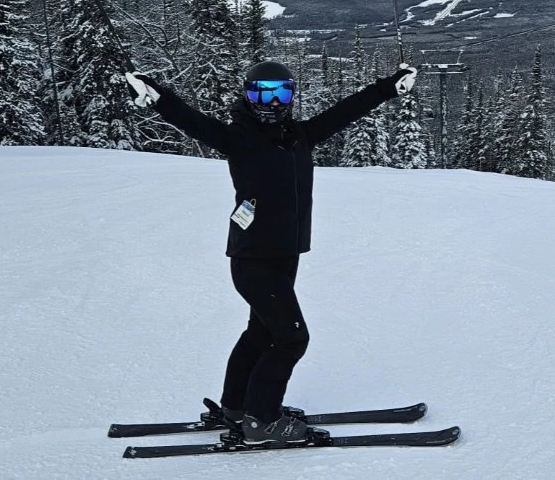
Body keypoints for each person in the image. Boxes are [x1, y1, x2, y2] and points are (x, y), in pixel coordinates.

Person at [124, 60, 417, 444]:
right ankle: (262, 420)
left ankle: (237, 406)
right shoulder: (238, 138)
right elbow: (192, 120)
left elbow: (346, 110)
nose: (270, 100)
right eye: (261, 91)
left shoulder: (299, 135)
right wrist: (155, 95)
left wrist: (388, 87)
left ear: (291, 96)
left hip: (284, 256)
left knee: (261, 332)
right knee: (292, 338)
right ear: (247, 94)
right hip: (253, 259)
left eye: (280, 92)